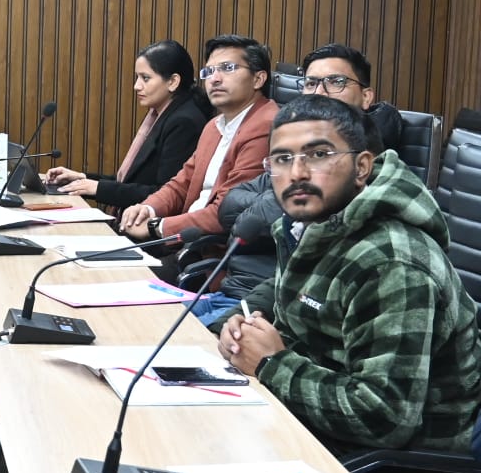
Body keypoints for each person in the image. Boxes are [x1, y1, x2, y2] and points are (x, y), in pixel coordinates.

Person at [218, 96, 481, 473]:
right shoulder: (309, 227)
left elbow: (384, 418)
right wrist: (244, 329)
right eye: (283, 159)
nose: (297, 173)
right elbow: (299, 318)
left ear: (361, 167)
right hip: (316, 434)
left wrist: (271, 363)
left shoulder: (390, 263)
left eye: (318, 155)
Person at [194, 43, 404, 325]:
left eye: (335, 82)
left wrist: (265, 354)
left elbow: (256, 220)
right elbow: (231, 206)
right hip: (251, 302)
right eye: (311, 83)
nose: (297, 174)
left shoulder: (390, 258)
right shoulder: (293, 148)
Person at [120, 34, 276, 241]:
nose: (215, 78)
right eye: (209, 71)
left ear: (258, 79)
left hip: (213, 250)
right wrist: (148, 208)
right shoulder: (214, 126)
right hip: (185, 238)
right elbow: (182, 183)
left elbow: (228, 210)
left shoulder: (266, 126)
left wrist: (158, 227)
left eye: (227, 68)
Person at [44, 39, 210, 208]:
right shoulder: (158, 115)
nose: (136, 86)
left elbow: (165, 195)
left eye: (145, 78)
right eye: (137, 77)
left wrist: (98, 188)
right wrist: (82, 178)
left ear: (173, 81)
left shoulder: (184, 123)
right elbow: (130, 181)